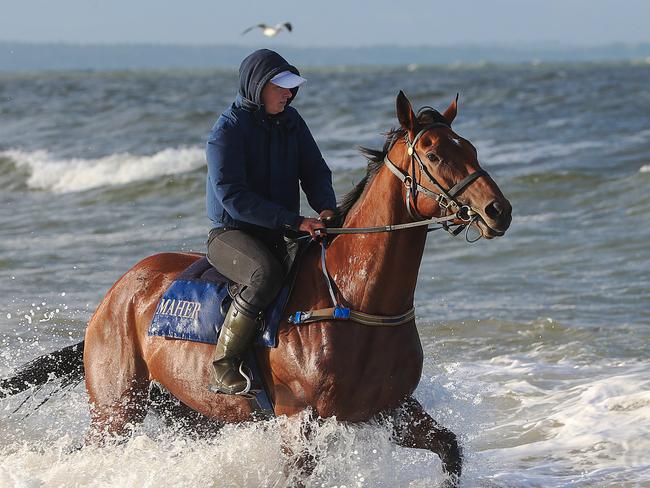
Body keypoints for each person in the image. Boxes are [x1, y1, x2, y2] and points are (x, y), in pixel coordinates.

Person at [205, 49, 337, 395]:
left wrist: (326, 209)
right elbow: (232, 197)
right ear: (256, 86)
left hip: (283, 228)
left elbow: (315, 170)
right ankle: (223, 366)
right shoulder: (227, 131)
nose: (288, 94)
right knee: (265, 274)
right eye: (280, 87)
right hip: (232, 234)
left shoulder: (293, 122)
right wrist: (295, 221)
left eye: (292, 88)